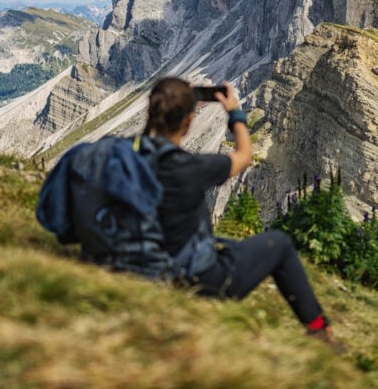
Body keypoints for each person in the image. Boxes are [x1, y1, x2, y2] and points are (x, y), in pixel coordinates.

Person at [143, 77, 343, 351]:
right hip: (197, 280)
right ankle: (320, 332)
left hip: (143, 262)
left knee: (231, 244)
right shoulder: (192, 167)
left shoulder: (123, 156)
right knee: (280, 244)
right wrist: (235, 112)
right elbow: (244, 155)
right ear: (188, 121)